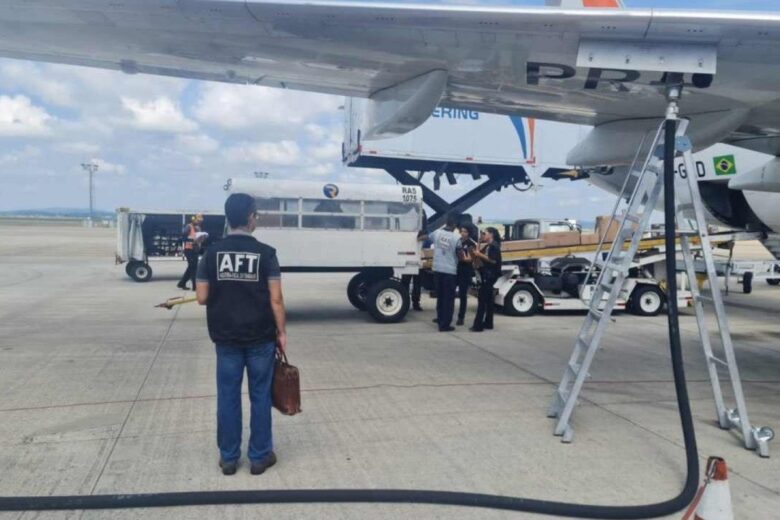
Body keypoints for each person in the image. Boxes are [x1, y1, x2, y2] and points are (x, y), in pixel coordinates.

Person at [195, 194, 287, 476]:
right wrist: (281, 332)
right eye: (256, 215)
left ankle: (229, 458)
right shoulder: (267, 254)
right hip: (260, 336)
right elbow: (276, 299)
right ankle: (259, 457)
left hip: (226, 337)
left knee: (228, 396)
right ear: (250, 218)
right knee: (260, 395)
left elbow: (201, 297)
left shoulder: (211, 254)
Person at [420, 214, 459, 332]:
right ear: (455, 226)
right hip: (450, 271)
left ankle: (439, 318)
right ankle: (445, 325)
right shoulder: (456, 238)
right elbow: (460, 254)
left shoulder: (437, 233)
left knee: (440, 297)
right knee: (449, 299)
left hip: (437, 269)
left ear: (446, 223)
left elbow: (426, 237)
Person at [470, 227, 502, 332]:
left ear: (491, 234)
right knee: (488, 300)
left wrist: (480, 255)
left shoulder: (493, 246)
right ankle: (488, 323)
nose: (483, 235)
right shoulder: (489, 246)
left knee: (482, 300)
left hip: (490, 275)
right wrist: (479, 242)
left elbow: (493, 261)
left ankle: (478, 325)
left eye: (485, 233)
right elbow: (477, 253)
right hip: (488, 275)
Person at [455, 226, 477, 326]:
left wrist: (462, 258)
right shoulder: (457, 241)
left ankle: (461, 317)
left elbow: (471, 259)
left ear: (469, 233)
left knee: (462, 295)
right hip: (455, 270)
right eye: (462, 231)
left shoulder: (471, 244)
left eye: (465, 231)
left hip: (465, 271)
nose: (463, 233)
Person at [178, 214, 204, 290]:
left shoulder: (198, 228)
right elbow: (183, 237)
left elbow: (198, 238)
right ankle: (195, 287)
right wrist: (191, 240)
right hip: (189, 250)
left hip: (195, 250)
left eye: (200, 221)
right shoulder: (188, 227)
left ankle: (181, 283)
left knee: (191, 267)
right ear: (193, 219)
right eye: (198, 220)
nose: (199, 222)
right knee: (193, 268)